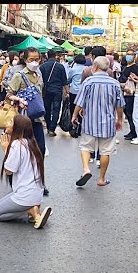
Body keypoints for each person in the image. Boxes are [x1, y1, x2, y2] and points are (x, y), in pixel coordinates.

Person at [72, 56, 124, 187]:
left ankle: (86, 169)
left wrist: (74, 115)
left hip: (90, 122)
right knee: (106, 151)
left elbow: (80, 101)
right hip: (108, 123)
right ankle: (101, 179)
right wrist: (119, 120)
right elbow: (119, 105)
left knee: (85, 147)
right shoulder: (115, 84)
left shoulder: (88, 82)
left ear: (94, 67)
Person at [0, 115, 51, 229]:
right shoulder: (31, 143)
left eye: (10, 122)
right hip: (36, 194)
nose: (7, 123)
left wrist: (6, 149)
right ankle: (33, 209)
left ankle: (31, 210)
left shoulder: (17, 144)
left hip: (25, 195)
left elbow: (9, 171)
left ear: (17, 128)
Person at [39, 49, 69, 137]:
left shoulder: (43, 66)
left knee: (47, 109)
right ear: (55, 56)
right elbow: (64, 81)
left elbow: (40, 80)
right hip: (57, 91)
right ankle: (52, 128)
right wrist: (67, 92)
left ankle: (48, 126)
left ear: (47, 56)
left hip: (46, 91)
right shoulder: (60, 66)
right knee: (56, 109)